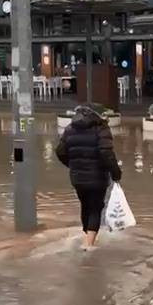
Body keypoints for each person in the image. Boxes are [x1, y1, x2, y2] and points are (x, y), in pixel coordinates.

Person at [56, 104, 122, 249]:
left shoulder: (70, 129)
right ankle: (88, 244)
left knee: (85, 206)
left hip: (77, 177)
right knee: (95, 208)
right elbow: (107, 154)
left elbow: (60, 151)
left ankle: (87, 236)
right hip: (97, 177)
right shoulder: (101, 129)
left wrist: (73, 165)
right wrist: (115, 173)